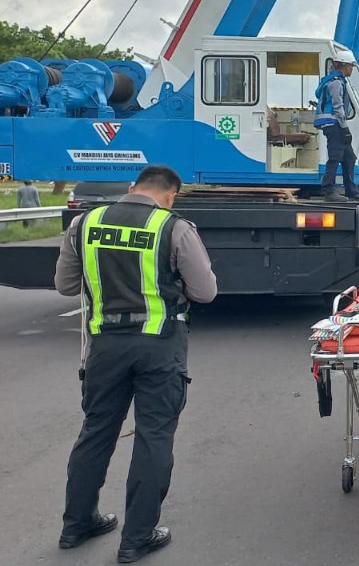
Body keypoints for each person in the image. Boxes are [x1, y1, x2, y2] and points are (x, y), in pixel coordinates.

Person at [53, 165, 217, 564]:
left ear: (131, 188)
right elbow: (205, 292)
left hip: (104, 347)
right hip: (159, 347)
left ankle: (77, 524)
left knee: (96, 432)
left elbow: (65, 286)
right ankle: (136, 539)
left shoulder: (84, 223)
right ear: (170, 194)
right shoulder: (174, 228)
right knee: (153, 436)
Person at [314, 55, 359, 201]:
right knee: (335, 157)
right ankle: (329, 191)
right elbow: (338, 107)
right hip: (334, 123)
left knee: (349, 157)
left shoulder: (335, 81)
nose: (352, 69)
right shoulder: (336, 83)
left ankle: (351, 190)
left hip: (332, 123)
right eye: (351, 66)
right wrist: (345, 128)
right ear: (345, 66)